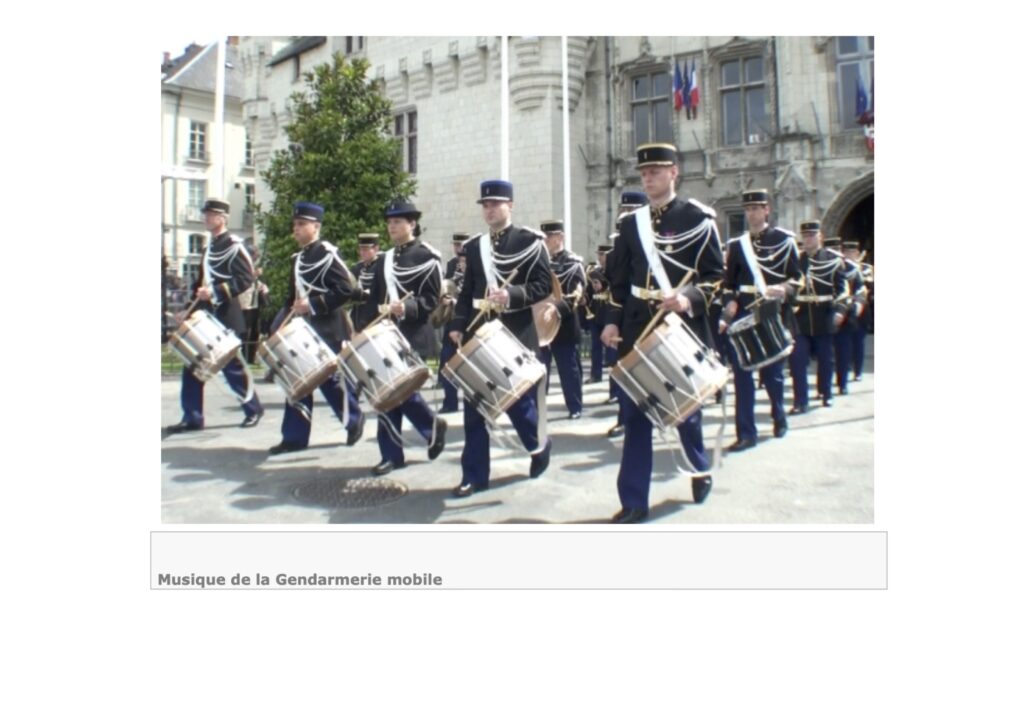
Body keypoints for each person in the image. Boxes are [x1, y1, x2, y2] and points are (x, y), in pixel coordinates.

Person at [600, 143, 724, 523]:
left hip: (680, 328)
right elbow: (616, 281)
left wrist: (688, 298)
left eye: (656, 170)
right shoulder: (630, 224)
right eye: (644, 172)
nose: (648, 177)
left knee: (686, 411)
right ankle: (634, 499)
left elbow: (716, 277)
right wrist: (610, 320)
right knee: (635, 414)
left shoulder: (699, 219)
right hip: (638, 327)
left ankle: (699, 466)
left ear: (674, 172)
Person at [448, 179, 553, 497]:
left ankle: (538, 445)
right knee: (474, 406)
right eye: (485, 205)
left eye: (495, 204)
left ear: (510, 205)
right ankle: (474, 475)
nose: (489, 209)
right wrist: (457, 323)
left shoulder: (530, 242)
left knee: (519, 404)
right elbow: (466, 292)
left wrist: (512, 294)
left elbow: (543, 286)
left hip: (514, 332)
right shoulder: (474, 246)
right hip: (478, 332)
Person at [268, 202, 365, 454]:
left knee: (328, 381)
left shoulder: (326, 253)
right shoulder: (298, 259)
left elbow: (346, 289)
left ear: (316, 226)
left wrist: (312, 304)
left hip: (328, 327)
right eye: (295, 225)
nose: (296, 229)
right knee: (297, 380)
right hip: (303, 330)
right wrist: (280, 325)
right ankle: (294, 437)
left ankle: (354, 418)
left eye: (301, 224)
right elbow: (291, 300)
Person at [166, 198, 264, 433]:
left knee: (232, 368)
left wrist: (215, 292)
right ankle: (192, 417)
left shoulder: (234, 245)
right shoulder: (209, 248)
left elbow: (245, 280)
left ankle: (253, 408)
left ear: (222, 218)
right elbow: (200, 284)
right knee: (192, 365)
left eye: (211, 215)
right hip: (205, 316)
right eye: (206, 214)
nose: (206, 218)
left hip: (226, 315)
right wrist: (188, 308)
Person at [367, 199, 447, 475]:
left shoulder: (427, 256)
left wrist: (407, 307)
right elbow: (374, 300)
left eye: (397, 222)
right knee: (388, 394)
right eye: (389, 223)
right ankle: (394, 452)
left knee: (398, 391)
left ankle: (428, 429)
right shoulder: (385, 259)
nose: (392, 227)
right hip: (386, 336)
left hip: (414, 333)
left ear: (412, 224)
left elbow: (431, 300)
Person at [719, 189, 801, 451]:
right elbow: (728, 283)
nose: (752, 213)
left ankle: (779, 415)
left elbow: (797, 278)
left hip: (770, 311)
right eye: (748, 209)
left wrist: (785, 289)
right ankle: (746, 433)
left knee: (773, 374)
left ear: (767, 210)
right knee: (742, 374)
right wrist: (730, 301)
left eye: (757, 208)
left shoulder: (785, 241)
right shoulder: (737, 245)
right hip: (744, 312)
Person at [788, 222, 851, 414]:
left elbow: (842, 290)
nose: (808, 239)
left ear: (820, 237)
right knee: (797, 360)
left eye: (811, 236)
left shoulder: (832, 259)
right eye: (805, 236)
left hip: (823, 317)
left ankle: (826, 393)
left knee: (825, 359)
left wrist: (839, 311)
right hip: (800, 319)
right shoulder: (796, 260)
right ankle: (801, 400)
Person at [538, 220, 585, 420]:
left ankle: (575, 406)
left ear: (561, 237)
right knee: (540, 369)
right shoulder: (539, 263)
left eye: (550, 236)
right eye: (544, 237)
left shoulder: (573, 263)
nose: (546, 241)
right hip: (541, 324)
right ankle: (539, 407)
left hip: (564, 323)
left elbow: (576, 295)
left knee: (569, 369)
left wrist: (556, 309)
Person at [436, 234, 469, 413]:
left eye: (465, 263)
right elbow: (447, 286)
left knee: (471, 367)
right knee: (446, 363)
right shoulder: (451, 267)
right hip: (452, 324)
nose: (461, 265)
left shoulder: (477, 280)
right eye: (460, 262)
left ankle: (476, 402)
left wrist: (455, 302)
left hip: (470, 326)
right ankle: (450, 402)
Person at [835, 239, 869, 391]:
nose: (849, 255)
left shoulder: (865, 269)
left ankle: (858, 370)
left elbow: (867, 287)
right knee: (843, 346)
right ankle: (842, 375)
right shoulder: (839, 268)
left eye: (852, 252)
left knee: (858, 343)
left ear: (857, 253)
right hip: (843, 312)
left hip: (860, 312)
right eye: (846, 252)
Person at [349, 233, 381, 334]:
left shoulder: (381, 267)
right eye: (361, 249)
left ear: (376, 249)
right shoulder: (357, 268)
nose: (362, 253)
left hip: (375, 318)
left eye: (366, 249)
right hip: (358, 317)